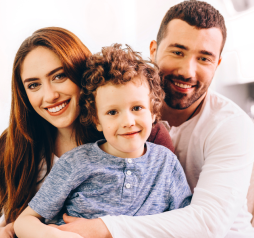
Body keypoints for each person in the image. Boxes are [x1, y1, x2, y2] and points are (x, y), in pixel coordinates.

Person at [53, 1, 254, 238]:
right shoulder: (117, 116)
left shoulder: (232, 125)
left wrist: (105, 228)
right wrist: (20, 223)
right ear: (153, 50)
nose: (188, 71)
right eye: (178, 52)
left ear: (217, 64)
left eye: (204, 59)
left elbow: (208, 223)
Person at [0, 27, 174, 238]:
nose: (49, 96)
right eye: (33, 85)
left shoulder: (142, 136)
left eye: (59, 76)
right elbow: (17, 217)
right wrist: (2, 229)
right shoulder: (15, 144)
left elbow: (179, 219)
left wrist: (106, 228)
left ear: (81, 73)